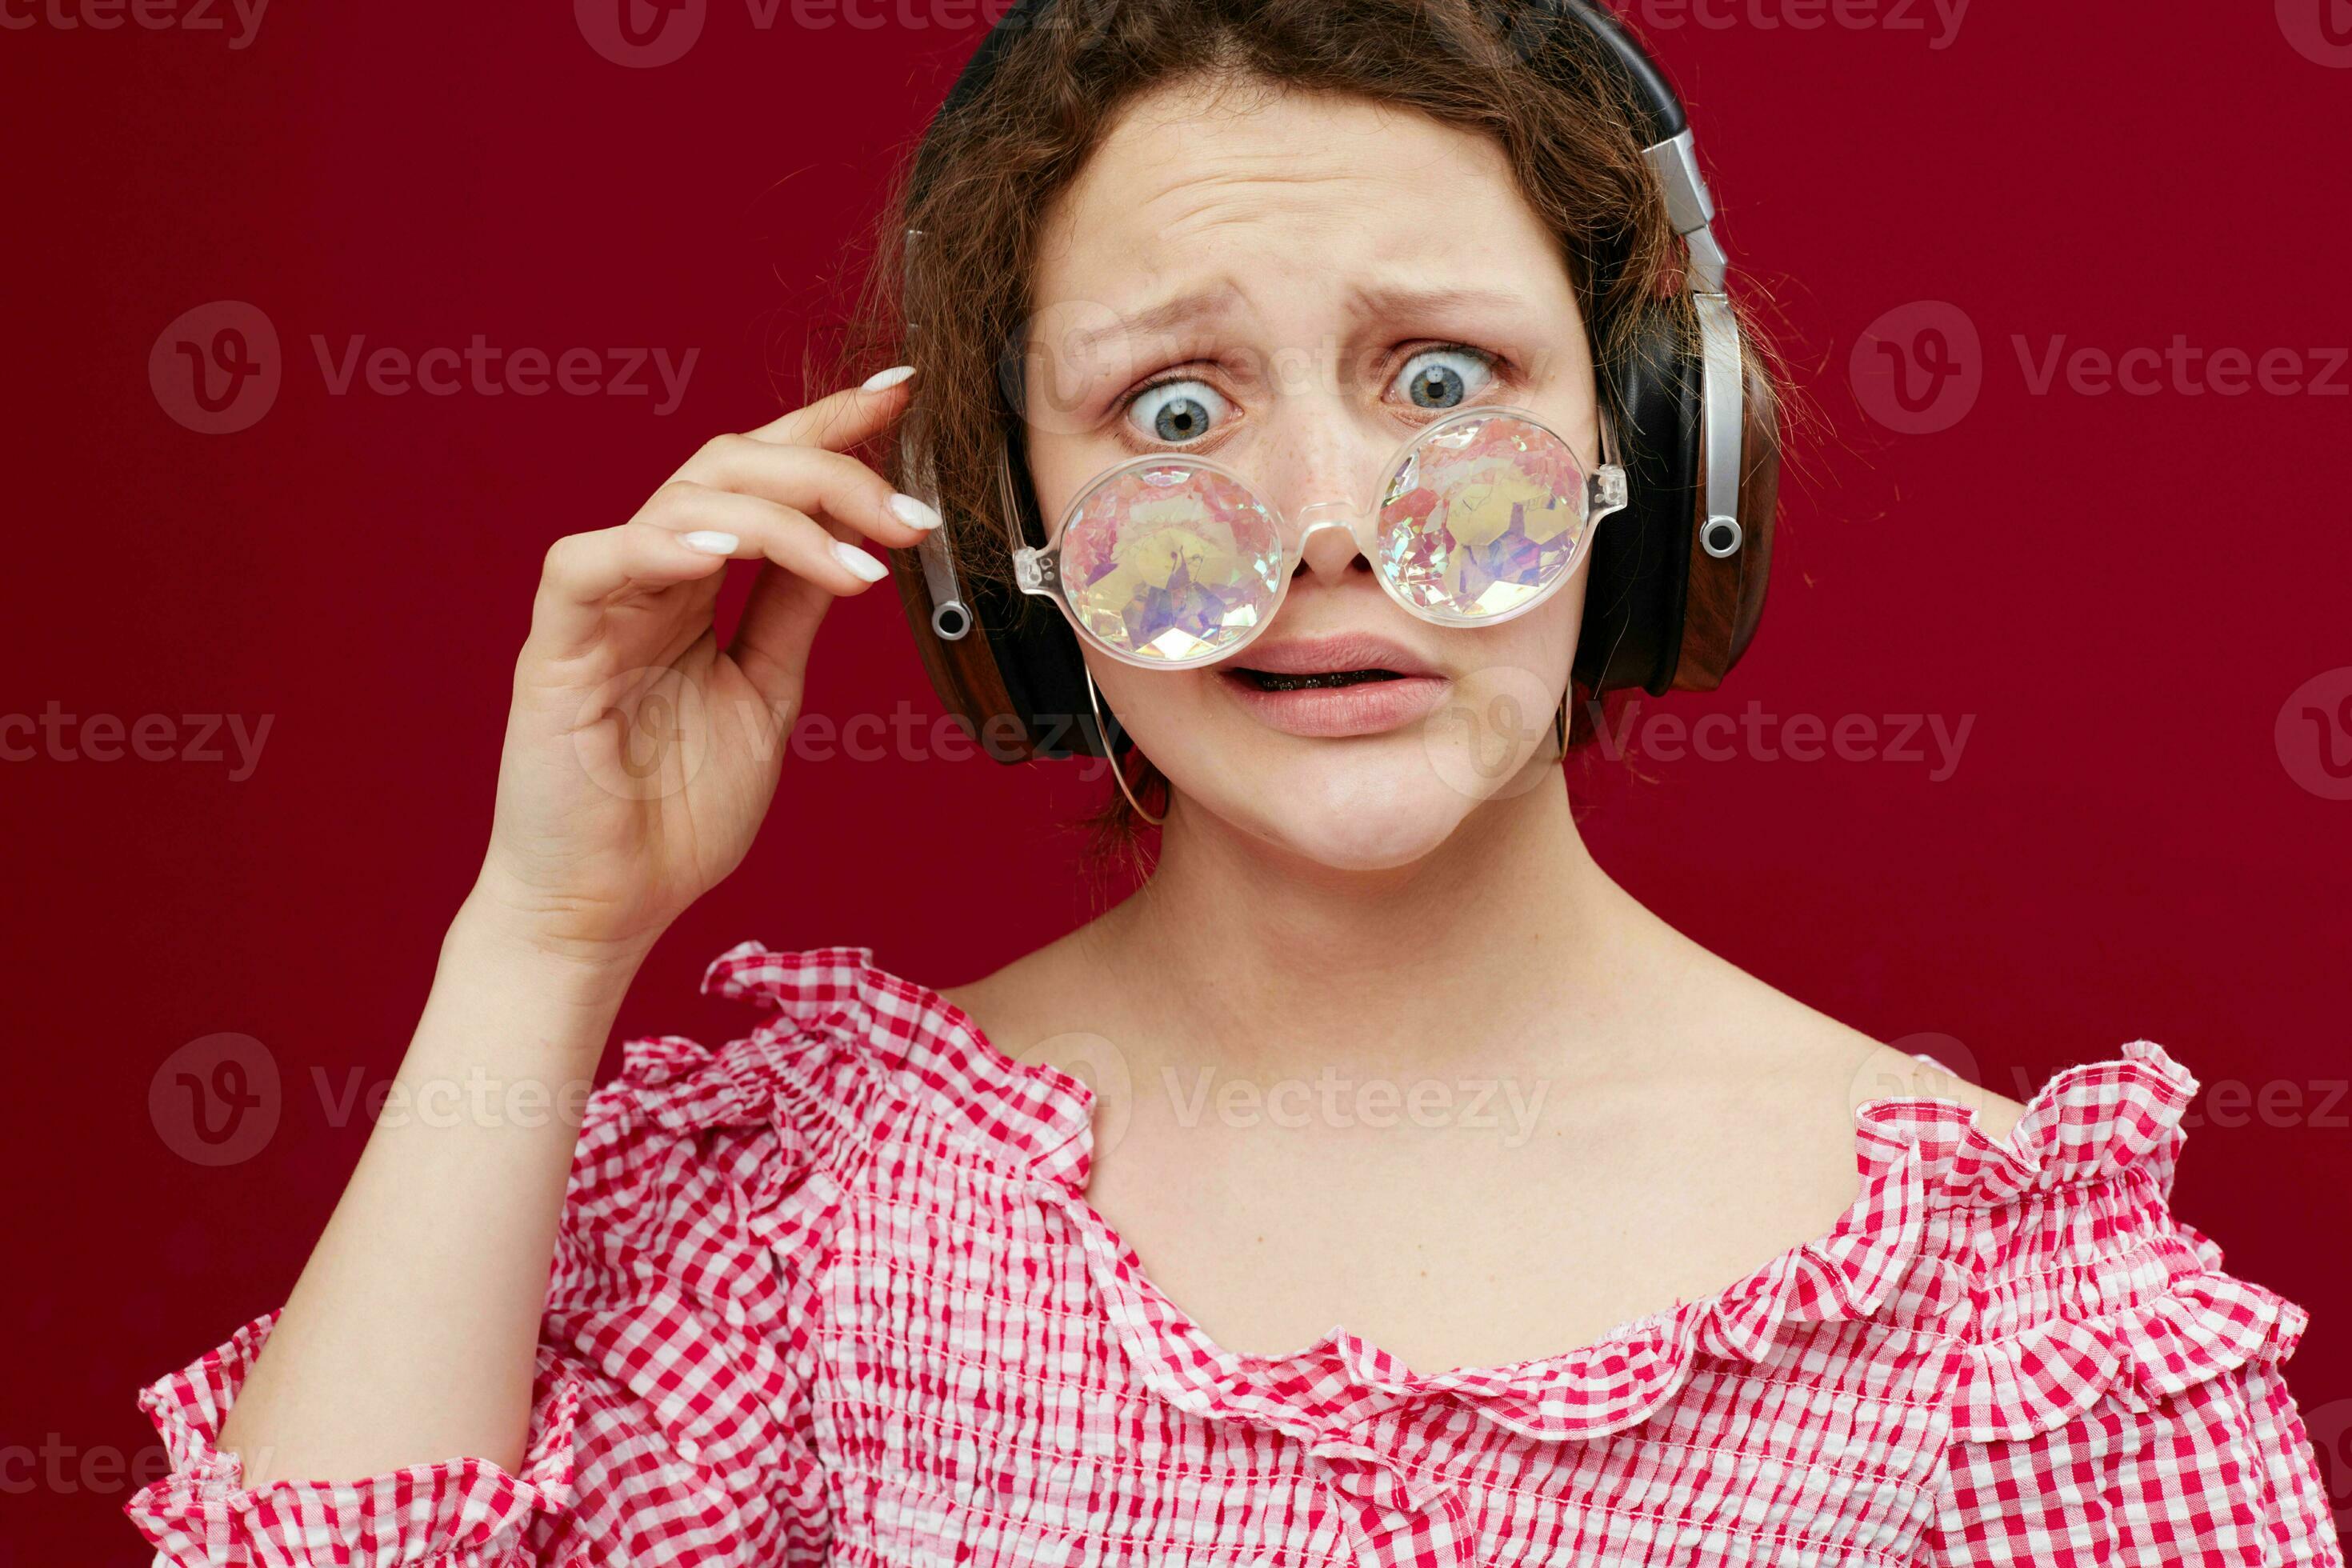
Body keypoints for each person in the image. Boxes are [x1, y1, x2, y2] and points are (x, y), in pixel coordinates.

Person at [127, 2, 2343, 1563]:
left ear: (1650, 464)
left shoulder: (2009, 1329)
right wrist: (546, 932)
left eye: (1443, 375)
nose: (1322, 520)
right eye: (1171, 411)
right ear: (1008, 535)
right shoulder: (821, 1226)